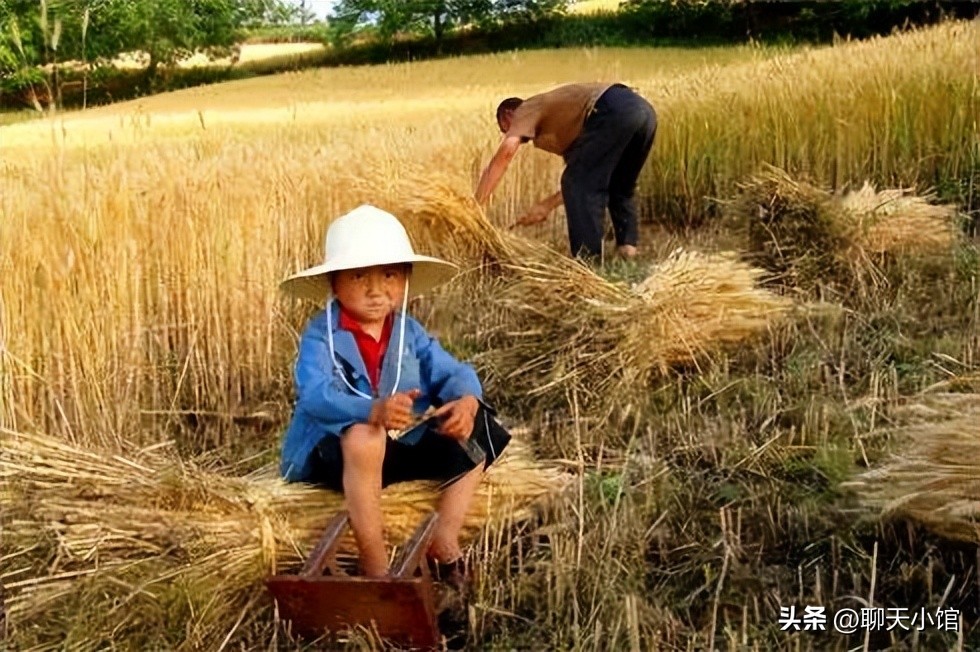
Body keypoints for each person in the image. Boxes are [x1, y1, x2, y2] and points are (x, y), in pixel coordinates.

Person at [278, 205, 511, 584]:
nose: (376, 290)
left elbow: (451, 371)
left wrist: (465, 400)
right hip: (337, 456)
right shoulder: (322, 336)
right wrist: (370, 410)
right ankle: (377, 568)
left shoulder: (409, 332)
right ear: (334, 284)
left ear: (405, 279)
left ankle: (445, 541)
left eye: (389, 275)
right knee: (365, 437)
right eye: (358, 276)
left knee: (481, 425)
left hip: (400, 447)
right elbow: (315, 394)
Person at [475, 82, 657, 260]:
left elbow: (505, 153)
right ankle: (627, 253)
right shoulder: (570, 127)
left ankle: (587, 262)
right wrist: (546, 206)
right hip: (644, 113)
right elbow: (579, 183)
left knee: (579, 183)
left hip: (611, 110)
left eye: (504, 129)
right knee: (619, 185)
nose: (507, 133)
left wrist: (476, 206)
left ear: (508, 115)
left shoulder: (525, 108)